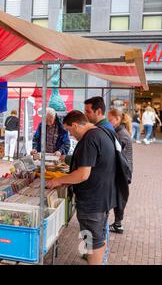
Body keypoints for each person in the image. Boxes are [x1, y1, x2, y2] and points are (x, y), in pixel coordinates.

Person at [47, 110, 117, 265]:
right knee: (98, 238)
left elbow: (83, 174)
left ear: (75, 125)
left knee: (93, 241)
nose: (71, 135)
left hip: (93, 201)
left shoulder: (89, 139)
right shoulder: (100, 132)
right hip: (102, 197)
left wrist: (59, 181)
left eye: (70, 130)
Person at [107, 109, 133, 234]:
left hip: (123, 171)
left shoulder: (121, 134)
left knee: (120, 197)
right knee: (119, 196)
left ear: (117, 119)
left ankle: (118, 224)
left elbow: (117, 154)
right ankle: (117, 223)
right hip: (124, 170)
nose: (108, 121)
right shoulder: (120, 132)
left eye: (110, 119)